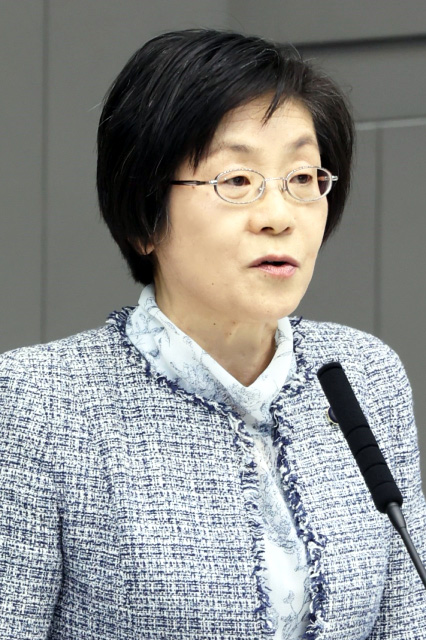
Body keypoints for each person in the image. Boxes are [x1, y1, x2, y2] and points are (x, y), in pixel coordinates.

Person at [0, 28, 425, 640]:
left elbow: (407, 620)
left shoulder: (363, 374)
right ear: (146, 217)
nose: (279, 217)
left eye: (303, 178)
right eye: (237, 181)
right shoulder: (39, 402)